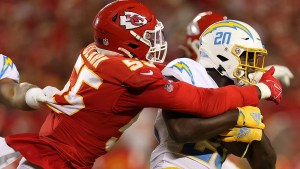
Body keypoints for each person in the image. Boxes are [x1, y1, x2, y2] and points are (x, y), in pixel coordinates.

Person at [0, 1, 282, 169]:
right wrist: (261, 90)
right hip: (59, 162)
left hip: (57, 153)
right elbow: (201, 102)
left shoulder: (97, 51)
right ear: (129, 42)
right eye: (149, 36)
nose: (158, 42)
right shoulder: (133, 74)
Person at [150, 18, 277, 169]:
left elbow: (265, 164)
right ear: (223, 53)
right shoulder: (189, 70)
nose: (252, 66)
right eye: (247, 57)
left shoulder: (239, 96)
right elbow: (181, 129)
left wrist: (258, 136)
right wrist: (235, 117)